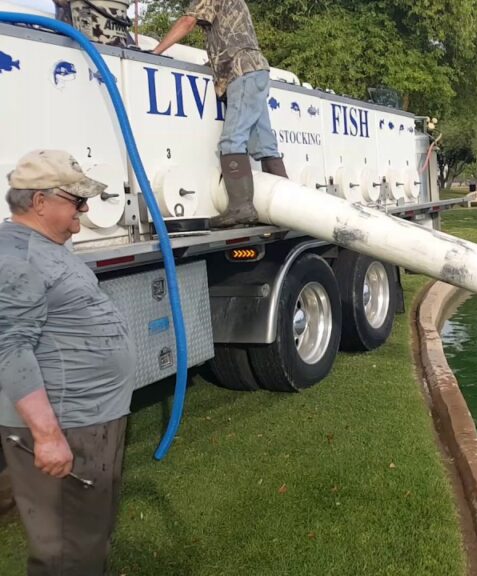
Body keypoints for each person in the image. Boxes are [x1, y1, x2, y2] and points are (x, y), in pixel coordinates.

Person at [0, 150, 137, 575]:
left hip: (87, 422)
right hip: (66, 426)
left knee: (86, 537)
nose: (86, 209)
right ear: (40, 202)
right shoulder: (16, 259)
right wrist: (47, 436)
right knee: (65, 552)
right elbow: (10, 348)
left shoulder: (42, 246)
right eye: (76, 200)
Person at [152, 0, 288, 228]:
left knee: (231, 141)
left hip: (241, 71)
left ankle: (241, 208)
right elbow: (231, 36)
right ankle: (285, 205)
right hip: (257, 70)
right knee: (265, 145)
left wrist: (156, 51)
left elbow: (187, 21)